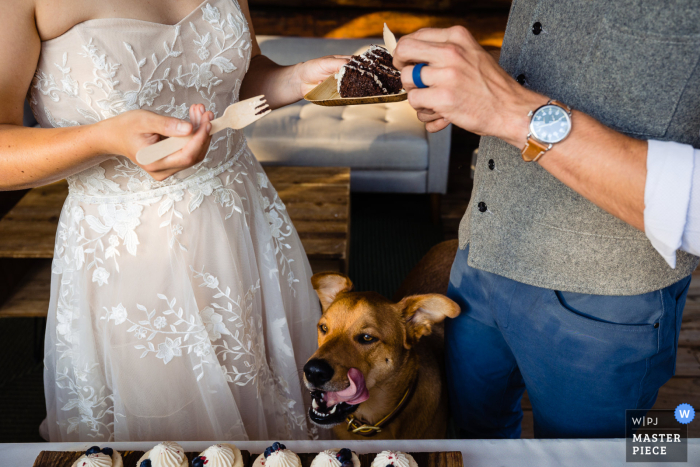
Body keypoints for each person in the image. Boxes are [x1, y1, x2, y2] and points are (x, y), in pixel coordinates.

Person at [0, 0, 347, 441]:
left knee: (273, 412)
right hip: (132, 260)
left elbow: (236, 76)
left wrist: (297, 79)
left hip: (245, 222)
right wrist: (103, 139)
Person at [393, 0, 699, 438]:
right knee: (475, 439)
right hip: (481, 255)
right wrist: (474, 89)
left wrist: (509, 109)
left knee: (618, 452)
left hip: (608, 297)